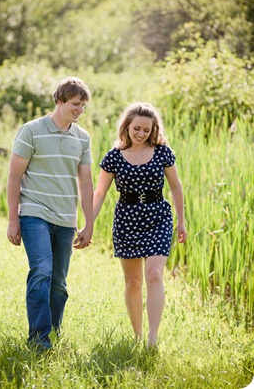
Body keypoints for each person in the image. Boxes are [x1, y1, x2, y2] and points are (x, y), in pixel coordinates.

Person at [7, 76, 93, 351]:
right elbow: (14, 177)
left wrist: (89, 223)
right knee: (42, 270)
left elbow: (86, 183)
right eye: (75, 104)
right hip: (34, 212)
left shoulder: (82, 137)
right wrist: (13, 219)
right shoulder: (31, 131)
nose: (79, 110)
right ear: (59, 100)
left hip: (66, 219)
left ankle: (52, 334)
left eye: (83, 105)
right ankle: (39, 340)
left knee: (59, 285)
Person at [93, 102, 187, 348]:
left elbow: (175, 186)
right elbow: (100, 192)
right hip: (126, 219)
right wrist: (88, 224)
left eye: (146, 129)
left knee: (154, 274)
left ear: (153, 129)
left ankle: (152, 339)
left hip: (158, 216)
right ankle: (137, 335)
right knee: (133, 283)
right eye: (137, 128)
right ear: (127, 126)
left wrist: (181, 221)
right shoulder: (113, 157)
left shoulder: (163, 152)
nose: (141, 133)